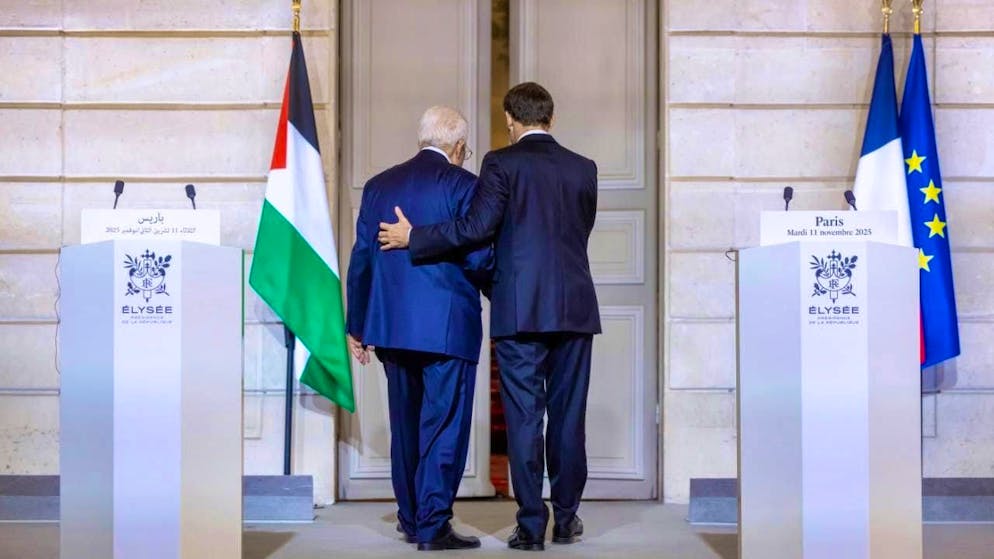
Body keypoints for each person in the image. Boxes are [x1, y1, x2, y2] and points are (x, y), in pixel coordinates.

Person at [378, 82, 600, 551]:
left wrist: (416, 237)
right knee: (568, 417)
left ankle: (531, 527)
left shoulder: (500, 163)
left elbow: (477, 228)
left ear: (509, 121)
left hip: (518, 309)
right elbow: (582, 230)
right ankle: (567, 516)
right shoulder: (585, 169)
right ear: (551, 119)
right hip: (577, 308)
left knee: (524, 419)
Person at [346, 105, 492, 551]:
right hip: (447, 329)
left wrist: (356, 323)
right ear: (460, 147)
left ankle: (410, 519)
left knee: (405, 426)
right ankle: (433, 525)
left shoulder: (378, 186)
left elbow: (362, 259)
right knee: (443, 426)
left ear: (422, 138)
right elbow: (479, 257)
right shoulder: (466, 186)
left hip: (389, 326)